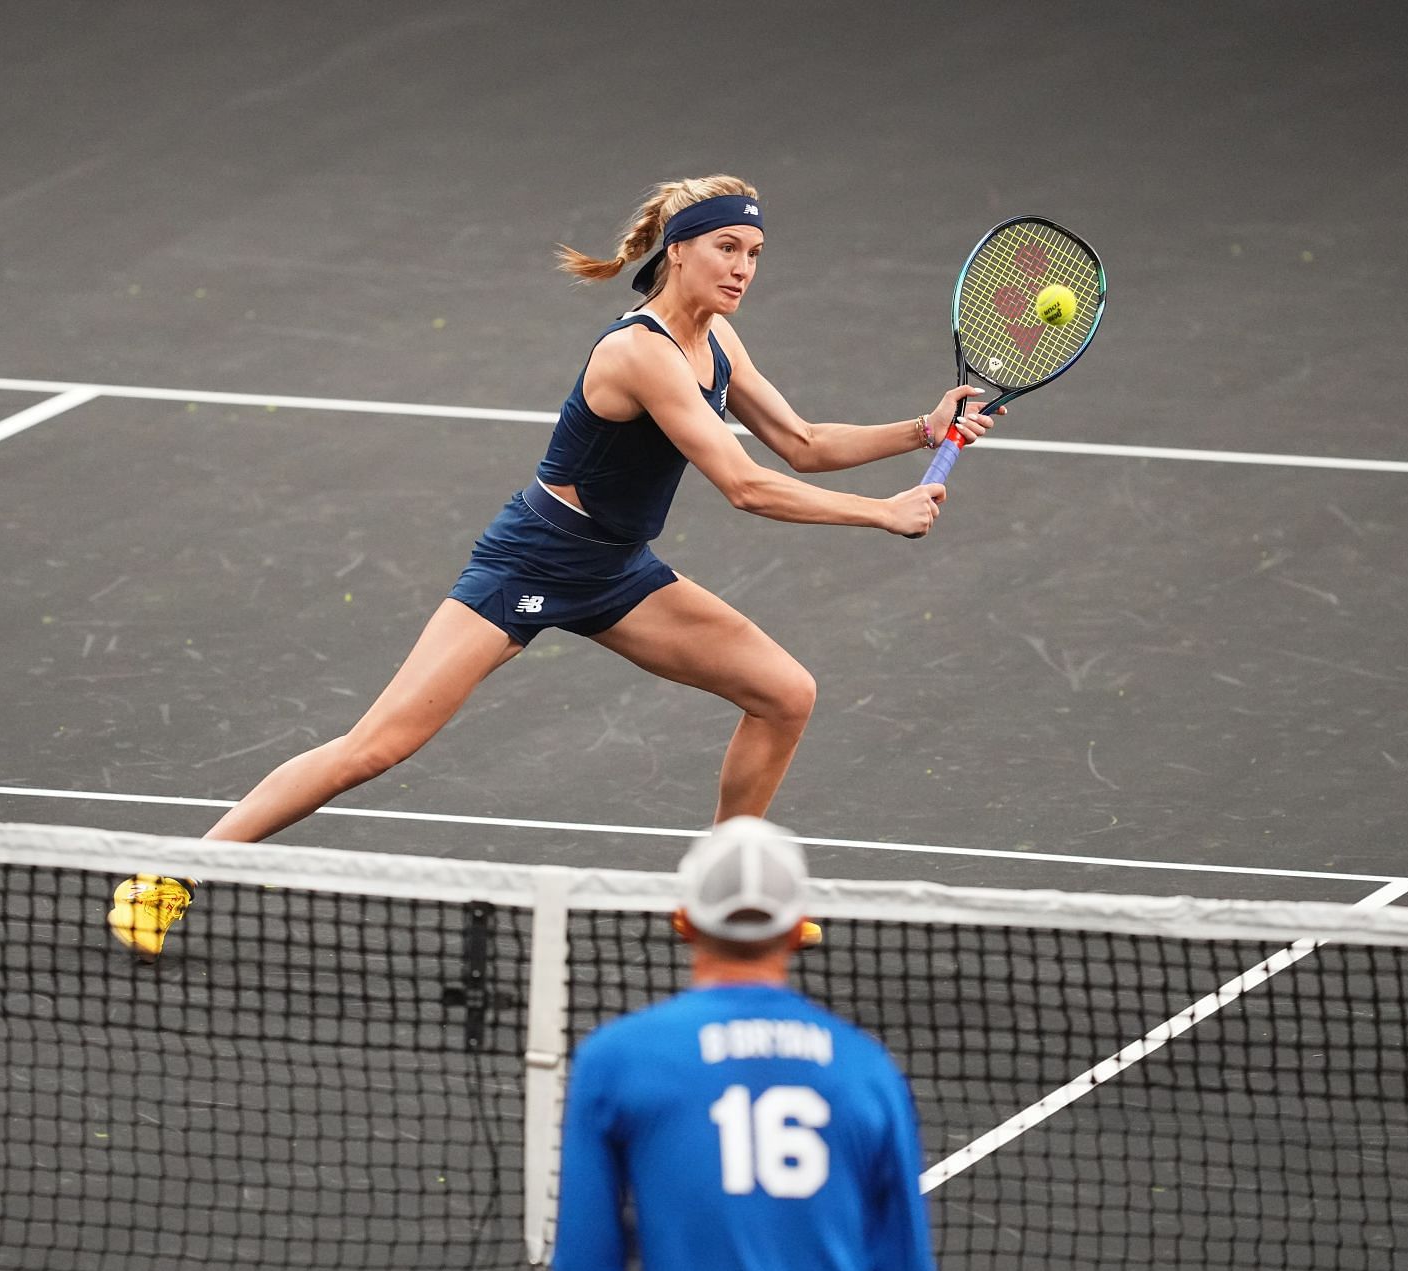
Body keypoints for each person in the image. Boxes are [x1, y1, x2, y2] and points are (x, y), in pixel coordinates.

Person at [109, 175, 993, 955]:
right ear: (677, 251)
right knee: (375, 748)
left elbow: (801, 443)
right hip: (531, 559)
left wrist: (923, 429)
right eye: (727, 247)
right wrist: (882, 513)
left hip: (614, 568)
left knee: (783, 694)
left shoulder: (719, 342)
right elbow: (745, 486)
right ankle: (169, 878)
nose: (743, 268)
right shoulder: (637, 351)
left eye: (755, 252)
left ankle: (719, 900)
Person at [552, 816, 935, 1271]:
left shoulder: (617, 1059)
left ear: (687, 920)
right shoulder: (868, 1071)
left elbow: (584, 1262)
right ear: (798, 927)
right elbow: (905, 1266)